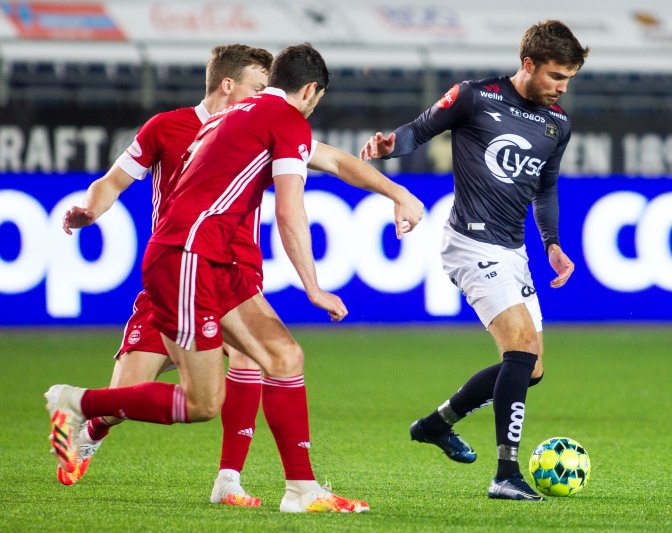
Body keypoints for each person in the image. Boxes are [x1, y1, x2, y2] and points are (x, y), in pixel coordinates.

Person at [49, 43, 423, 513]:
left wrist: (399, 192)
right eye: (259, 84)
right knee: (189, 401)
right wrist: (312, 286)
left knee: (281, 355)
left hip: (223, 266)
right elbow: (290, 209)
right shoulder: (217, 122)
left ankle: (286, 487)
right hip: (187, 261)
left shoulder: (243, 116)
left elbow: (334, 160)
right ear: (308, 91)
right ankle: (79, 406)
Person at [360, 20, 588, 500]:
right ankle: (506, 474)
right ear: (528, 64)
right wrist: (388, 147)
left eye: (569, 78)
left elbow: (545, 187)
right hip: (471, 241)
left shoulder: (557, 124)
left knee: (533, 368)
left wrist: (551, 243)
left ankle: (436, 424)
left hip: (513, 248)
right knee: (521, 352)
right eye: (555, 76)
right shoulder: (474, 96)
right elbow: (417, 132)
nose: (562, 88)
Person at [59, 43, 273, 506]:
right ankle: (91, 419)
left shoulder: (261, 131)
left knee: (251, 357)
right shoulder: (167, 127)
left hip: (233, 276)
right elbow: (113, 180)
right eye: (258, 88)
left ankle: (229, 480)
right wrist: (90, 210)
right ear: (228, 84)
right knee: (124, 397)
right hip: (175, 278)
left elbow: (309, 164)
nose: (265, 98)